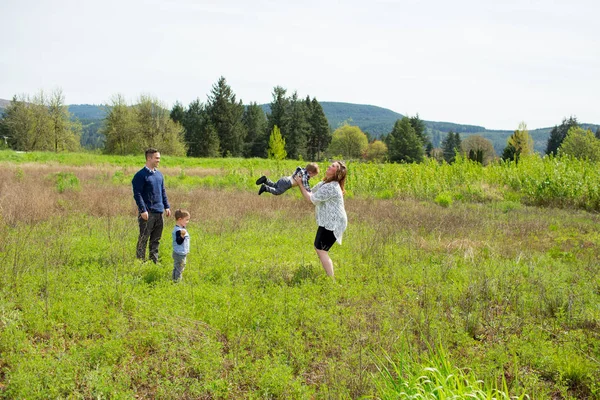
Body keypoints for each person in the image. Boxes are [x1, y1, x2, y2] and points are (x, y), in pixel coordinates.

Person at [295, 161, 348, 277]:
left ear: (337, 173)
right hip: (327, 221)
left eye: (333, 166)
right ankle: (330, 278)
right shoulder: (324, 183)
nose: (329, 166)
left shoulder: (331, 187)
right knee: (318, 247)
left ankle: (331, 280)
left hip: (334, 222)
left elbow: (311, 199)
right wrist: (301, 180)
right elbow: (310, 192)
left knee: (321, 250)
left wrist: (300, 184)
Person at [132, 148, 171, 263]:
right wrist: (143, 210)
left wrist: (166, 206)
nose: (159, 160)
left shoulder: (159, 175)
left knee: (156, 239)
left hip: (159, 212)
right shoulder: (140, 175)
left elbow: (162, 191)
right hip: (147, 213)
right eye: (157, 158)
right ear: (149, 158)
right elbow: (137, 194)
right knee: (144, 238)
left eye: (159, 158)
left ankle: (154, 261)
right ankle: (140, 262)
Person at [172, 209, 191, 282]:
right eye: (186, 220)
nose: (187, 222)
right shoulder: (178, 230)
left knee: (177, 267)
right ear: (180, 219)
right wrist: (182, 235)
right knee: (180, 268)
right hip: (180, 253)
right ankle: (177, 282)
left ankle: (174, 280)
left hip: (179, 252)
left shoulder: (181, 228)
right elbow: (179, 241)